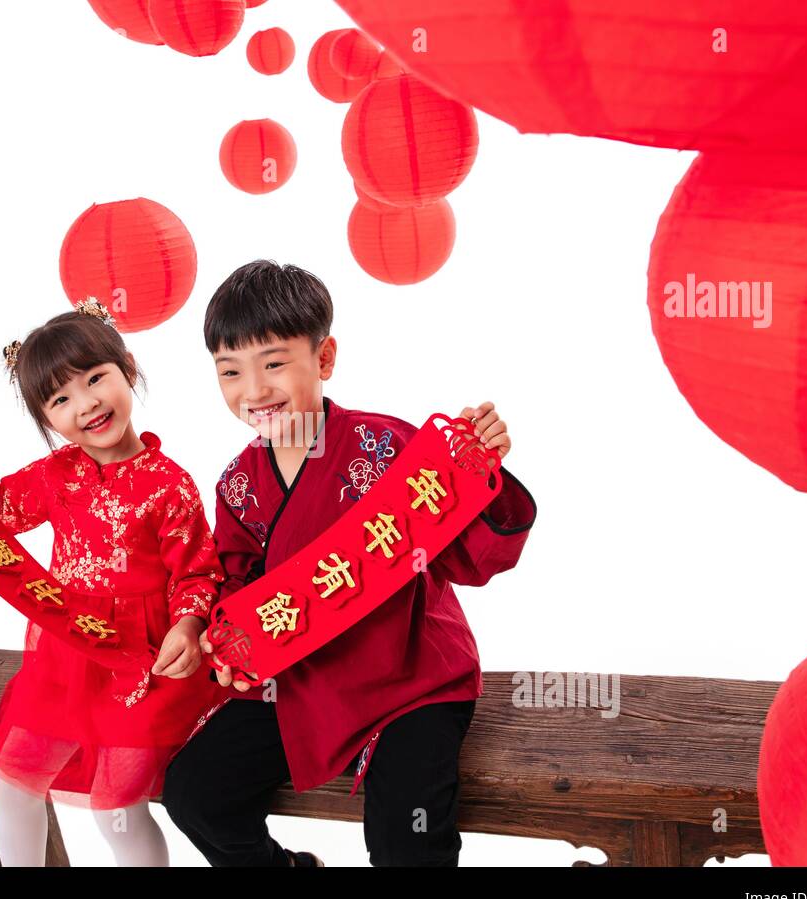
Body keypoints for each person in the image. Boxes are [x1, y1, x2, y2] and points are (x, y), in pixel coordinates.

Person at [162, 260, 538, 866]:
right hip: (304, 680)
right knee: (195, 791)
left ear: (325, 358)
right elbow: (238, 586)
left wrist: (480, 466)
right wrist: (219, 638)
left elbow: (474, 559)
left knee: (404, 837)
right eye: (230, 371)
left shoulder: (387, 447)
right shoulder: (238, 484)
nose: (253, 391)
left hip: (411, 677)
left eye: (274, 362)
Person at [0, 297, 225, 866]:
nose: (86, 404)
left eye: (95, 378)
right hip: (67, 649)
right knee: (13, 781)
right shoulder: (58, 476)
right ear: (46, 419)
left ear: (128, 367)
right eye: (60, 398)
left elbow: (196, 570)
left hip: (142, 661)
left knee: (117, 809)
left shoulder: (168, 484)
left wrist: (188, 622)